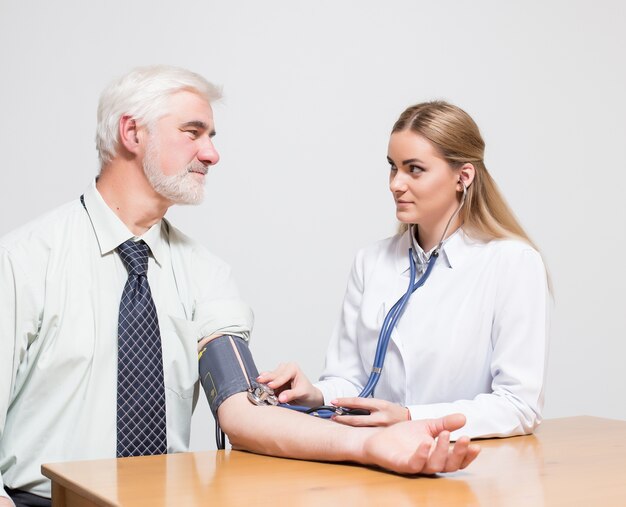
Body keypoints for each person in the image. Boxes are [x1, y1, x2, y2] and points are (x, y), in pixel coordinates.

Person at [0, 68, 480, 507]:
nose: (211, 153)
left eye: (211, 136)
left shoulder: (206, 274)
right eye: (193, 133)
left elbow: (242, 411)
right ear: (132, 133)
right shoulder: (22, 262)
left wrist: (370, 445)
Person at [258, 101, 550, 439]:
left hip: (470, 470)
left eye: (414, 169)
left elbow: (518, 406)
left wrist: (410, 418)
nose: (396, 184)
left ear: (463, 176)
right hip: (381, 461)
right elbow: (354, 380)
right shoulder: (370, 261)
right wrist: (316, 393)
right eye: (393, 167)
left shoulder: (512, 263)